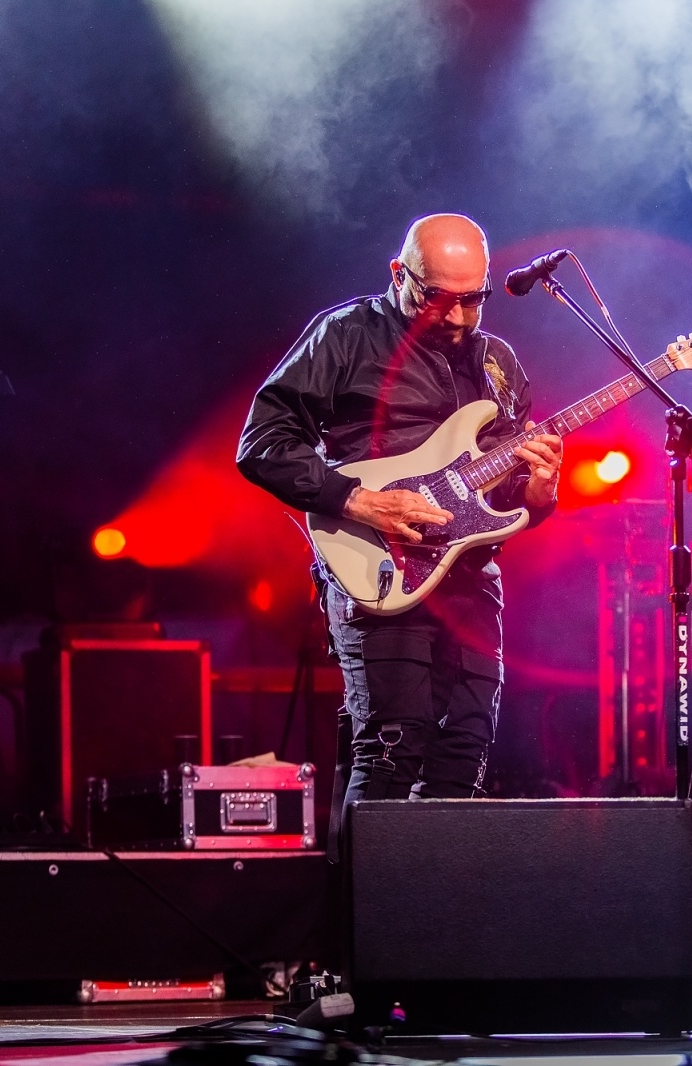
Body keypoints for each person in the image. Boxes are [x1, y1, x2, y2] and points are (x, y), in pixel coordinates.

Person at [236, 214, 562, 819]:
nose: (460, 318)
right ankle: (369, 914)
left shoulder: (498, 364)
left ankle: (437, 910)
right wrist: (356, 499)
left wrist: (539, 494)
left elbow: (509, 498)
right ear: (400, 274)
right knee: (393, 750)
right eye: (442, 299)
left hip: (467, 580)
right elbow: (262, 443)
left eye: (475, 300)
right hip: (378, 561)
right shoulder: (347, 335)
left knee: (465, 754)